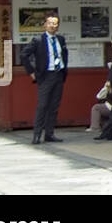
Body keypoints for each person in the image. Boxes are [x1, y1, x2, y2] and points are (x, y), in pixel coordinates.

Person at [22, 13, 69, 144]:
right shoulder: (38, 40)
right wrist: (31, 72)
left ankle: (49, 133)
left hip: (59, 74)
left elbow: (64, 55)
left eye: (55, 24)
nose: (53, 26)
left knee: (54, 106)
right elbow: (24, 55)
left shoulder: (61, 39)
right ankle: (36, 134)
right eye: (50, 23)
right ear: (45, 25)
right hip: (45, 75)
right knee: (42, 105)